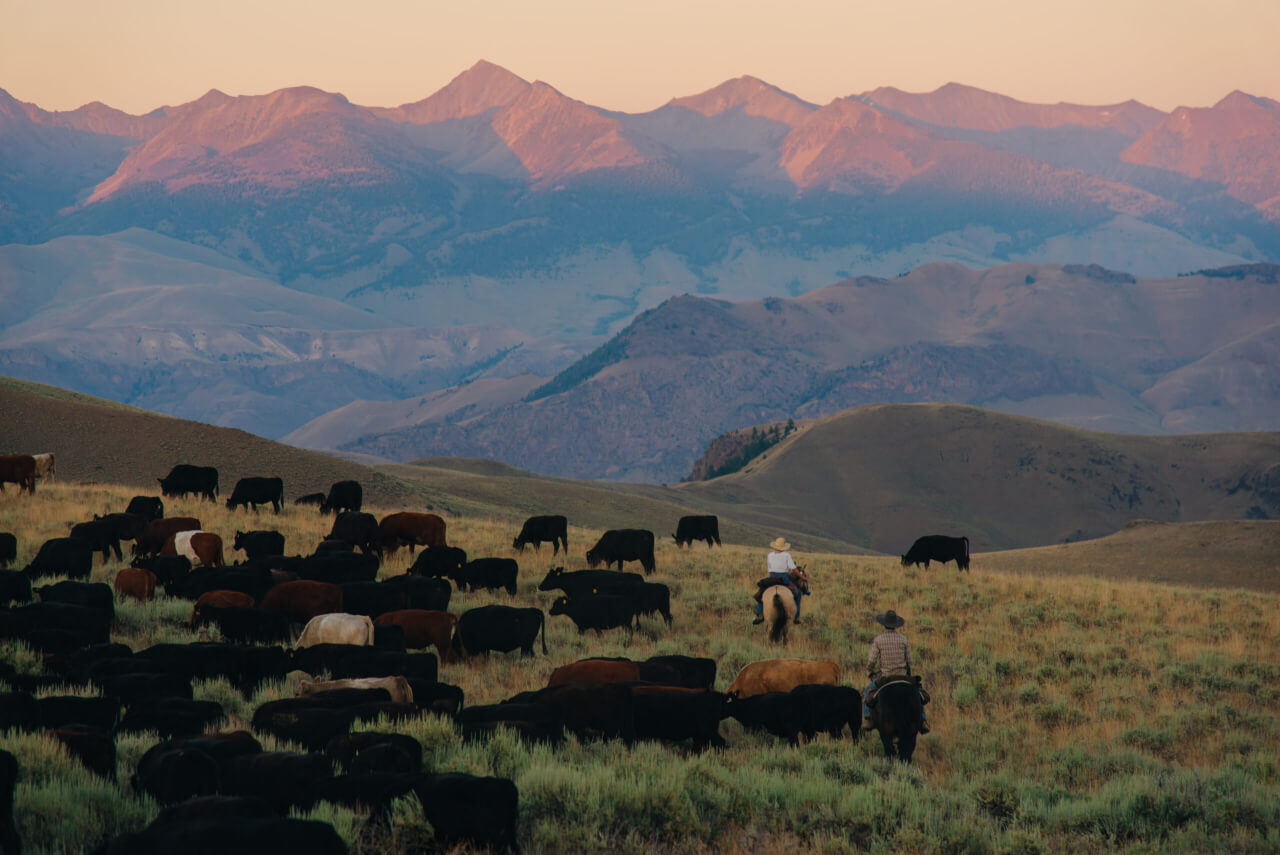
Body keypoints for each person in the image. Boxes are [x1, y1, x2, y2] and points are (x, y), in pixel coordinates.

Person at [864, 609, 929, 734]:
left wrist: (869, 672)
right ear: (896, 625)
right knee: (918, 695)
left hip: (886, 677)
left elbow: (872, 660)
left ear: (884, 624)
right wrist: (908, 672)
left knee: (867, 692)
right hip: (902, 676)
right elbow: (909, 660)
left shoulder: (878, 640)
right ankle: (923, 720)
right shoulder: (903, 639)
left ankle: (868, 719)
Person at [752, 537, 806, 624]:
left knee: (762, 593)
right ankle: (796, 617)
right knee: (798, 593)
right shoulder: (787, 555)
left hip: (772, 577)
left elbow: (770, 568)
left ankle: (759, 614)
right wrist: (802, 577)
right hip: (784, 578)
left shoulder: (769, 555)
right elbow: (793, 569)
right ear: (784, 547)